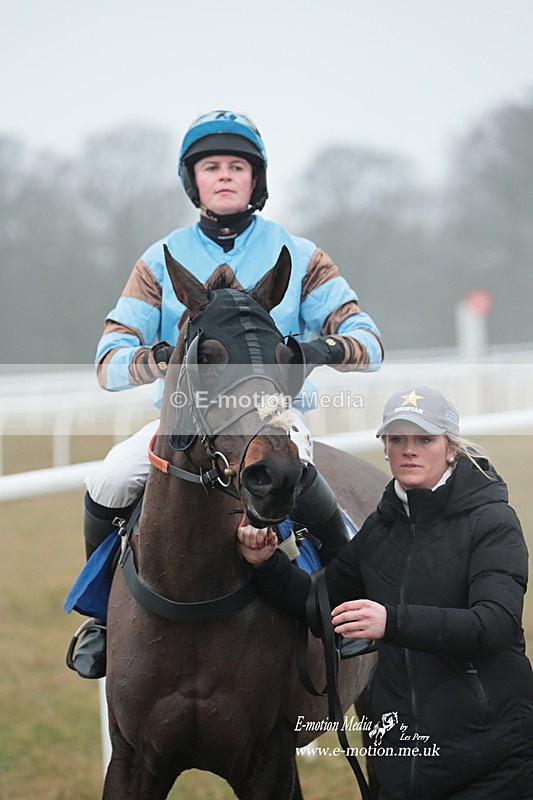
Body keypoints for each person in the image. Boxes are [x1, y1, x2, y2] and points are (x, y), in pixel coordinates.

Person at [67, 110, 384, 678]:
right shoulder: (157, 261)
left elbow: (369, 341)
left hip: (273, 417)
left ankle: (345, 609)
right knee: (109, 478)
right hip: (185, 421)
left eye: (237, 166)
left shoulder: (302, 254)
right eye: (211, 166)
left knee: (307, 482)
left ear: (256, 179)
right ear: (194, 180)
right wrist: (164, 359)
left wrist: (315, 351)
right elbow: (109, 360)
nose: (225, 176)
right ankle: (102, 617)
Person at [238, 386, 533, 799]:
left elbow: (495, 626)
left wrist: (391, 622)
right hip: (400, 761)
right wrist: (266, 565)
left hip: (491, 758)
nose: (409, 450)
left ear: (451, 449)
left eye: (424, 439)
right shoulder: (383, 525)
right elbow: (319, 603)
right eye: (397, 440)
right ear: (385, 448)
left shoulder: (492, 521)